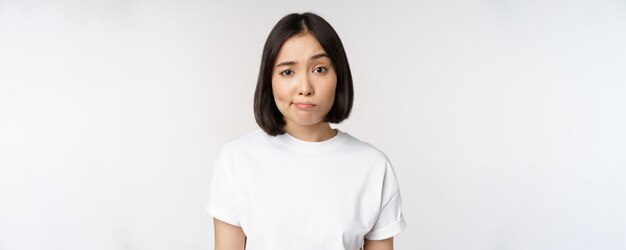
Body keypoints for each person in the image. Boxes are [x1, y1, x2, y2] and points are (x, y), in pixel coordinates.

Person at [206, 12, 406, 250]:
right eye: (288, 72)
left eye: (319, 69)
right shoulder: (237, 160)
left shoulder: (373, 166)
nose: (305, 88)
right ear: (269, 80)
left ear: (339, 76)